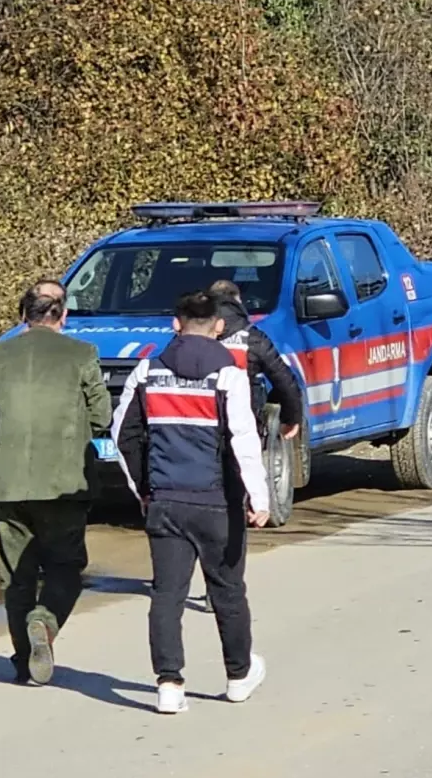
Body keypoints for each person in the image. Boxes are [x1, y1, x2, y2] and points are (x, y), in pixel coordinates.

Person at [112, 290, 271, 714]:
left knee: (167, 594)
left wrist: (144, 490)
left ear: (175, 325)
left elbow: (121, 435)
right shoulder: (229, 374)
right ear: (219, 327)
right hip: (218, 504)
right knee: (228, 591)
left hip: (165, 500)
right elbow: (244, 441)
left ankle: (169, 684)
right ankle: (238, 676)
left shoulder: (146, 372)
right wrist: (258, 496)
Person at [0, 282, 112, 685]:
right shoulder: (82, 354)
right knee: (66, 565)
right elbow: (101, 416)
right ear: (62, 315)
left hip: (5, 482)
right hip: (63, 482)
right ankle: (45, 622)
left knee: (18, 575)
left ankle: (23, 660)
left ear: (22, 315)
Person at [205, 279, 303, 441]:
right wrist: (291, 418)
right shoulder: (254, 338)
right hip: (243, 423)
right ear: (238, 301)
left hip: (201, 424)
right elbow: (284, 380)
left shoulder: (192, 335)